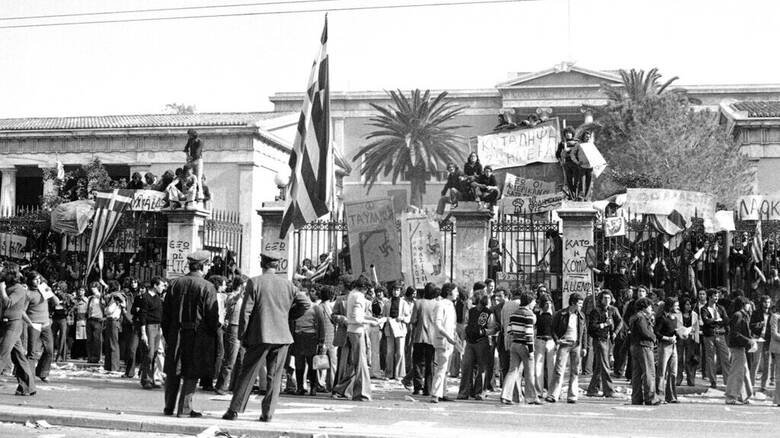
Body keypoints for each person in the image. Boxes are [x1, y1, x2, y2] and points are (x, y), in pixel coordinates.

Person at [223, 253, 310, 422]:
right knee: (274, 377)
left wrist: (243, 335)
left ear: (262, 263)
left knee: (247, 373)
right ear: (277, 266)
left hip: (260, 335)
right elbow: (305, 304)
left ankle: (234, 410)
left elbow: (246, 312)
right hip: (282, 336)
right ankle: (268, 413)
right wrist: (287, 315)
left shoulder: (255, 282)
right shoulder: (288, 284)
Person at [162, 250, 219, 418]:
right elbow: (212, 316)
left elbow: (165, 315)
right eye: (208, 265)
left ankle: (169, 406)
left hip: (176, 333)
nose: (209, 268)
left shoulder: (175, 284)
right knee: (191, 371)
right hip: (197, 334)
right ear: (202, 266)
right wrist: (213, 332)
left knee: (174, 370)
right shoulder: (207, 287)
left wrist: (169, 334)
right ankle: (185, 408)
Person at [332, 275, 381, 401]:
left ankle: (341, 389)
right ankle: (362, 393)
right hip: (357, 331)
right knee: (361, 363)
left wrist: (370, 319)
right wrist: (372, 322)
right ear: (363, 287)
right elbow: (357, 319)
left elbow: (355, 316)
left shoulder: (352, 295)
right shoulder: (359, 297)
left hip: (351, 330)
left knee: (354, 363)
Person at [0, 263, 37, 396]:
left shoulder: (18, 289)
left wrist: (2, 289)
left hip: (13, 325)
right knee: (19, 357)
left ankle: (27, 386)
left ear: (11, 274)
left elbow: (8, 303)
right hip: (5, 324)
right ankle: (28, 387)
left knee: (2, 353)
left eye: (5, 271)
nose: (2, 273)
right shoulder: (8, 287)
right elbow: (20, 310)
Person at [546, 292, 586, 404]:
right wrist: (556, 339)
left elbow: (584, 332)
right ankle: (553, 394)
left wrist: (584, 346)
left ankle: (572, 396)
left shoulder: (581, 316)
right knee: (559, 370)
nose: (581, 306)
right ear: (573, 303)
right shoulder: (561, 314)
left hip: (576, 345)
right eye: (579, 303)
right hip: (564, 344)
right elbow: (552, 328)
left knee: (575, 371)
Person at [502, 289, 540, 405]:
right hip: (525, 345)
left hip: (514, 344)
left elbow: (509, 330)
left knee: (512, 371)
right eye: (534, 301)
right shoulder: (528, 315)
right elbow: (529, 333)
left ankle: (506, 395)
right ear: (530, 301)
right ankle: (532, 397)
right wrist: (531, 350)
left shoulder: (514, 313)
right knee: (529, 373)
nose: (535, 304)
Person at [457, 291, 496, 400]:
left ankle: (480, 392)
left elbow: (493, 328)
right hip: (470, 342)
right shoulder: (471, 311)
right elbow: (466, 324)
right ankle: (464, 392)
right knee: (466, 367)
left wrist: (484, 332)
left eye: (474, 296)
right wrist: (463, 339)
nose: (472, 298)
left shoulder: (488, 313)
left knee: (482, 369)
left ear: (479, 299)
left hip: (482, 341)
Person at [402, 283, 438, 396]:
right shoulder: (437, 304)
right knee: (430, 364)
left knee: (417, 363)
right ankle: (428, 388)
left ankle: (417, 387)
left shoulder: (418, 303)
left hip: (419, 336)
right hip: (432, 338)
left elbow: (413, 320)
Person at [586, 289, 623, 398]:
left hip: (608, 340)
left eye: (609, 298)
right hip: (599, 339)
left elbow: (620, 321)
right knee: (605, 365)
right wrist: (603, 325)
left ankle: (592, 389)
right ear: (601, 299)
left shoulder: (613, 309)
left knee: (599, 366)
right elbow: (591, 328)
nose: (607, 300)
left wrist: (615, 332)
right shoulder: (596, 311)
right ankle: (609, 390)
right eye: (605, 298)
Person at [24, 271, 59, 383]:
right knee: (32, 353)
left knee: (49, 350)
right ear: (30, 280)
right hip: (34, 324)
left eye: (39, 278)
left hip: (46, 324)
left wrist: (50, 292)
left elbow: (57, 302)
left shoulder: (43, 290)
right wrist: (29, 323)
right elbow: (22, 311)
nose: (38, 281)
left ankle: (42, 372)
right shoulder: (27, 293)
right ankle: (29, 377)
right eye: (35, 279)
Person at [215, 275, 247, 395]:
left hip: (242, 328)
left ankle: (235, 385)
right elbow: (231, 302)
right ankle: (221, 386)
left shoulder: (244, 297)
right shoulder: (232, 295)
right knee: (230, 359)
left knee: (241, 359)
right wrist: (241, 292)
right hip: (234, 327)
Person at [133, 276, 164, 389]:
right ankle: (146, 379)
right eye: (161, 285)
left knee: (155, 354)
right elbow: (143, 315)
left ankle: (153, 378)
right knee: (149, 354)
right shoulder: (145, 298)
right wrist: (143, 333)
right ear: (155, 285)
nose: (163, 288)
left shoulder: (158, 298)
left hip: (157, 326)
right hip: (149, 327)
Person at [430, 283, 458, 403]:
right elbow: (438, 324)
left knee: (445, 368)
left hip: (450, 340)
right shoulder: (440, 305)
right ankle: (435, 394)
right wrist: (448, 337)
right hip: (442, 340)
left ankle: (443, 392)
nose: (457, 293)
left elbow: (451, 324)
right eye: (455, 291)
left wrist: (454, 336)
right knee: (441, 367)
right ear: (449, 292)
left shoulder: (451, 305)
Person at [629, 297, 660, 405]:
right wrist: (654, 337)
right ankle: (650, 398)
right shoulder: (641, 317)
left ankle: (636, 398)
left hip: (635, 346)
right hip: (644, 346)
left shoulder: (634, 317)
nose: (651, 308)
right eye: (650, 306)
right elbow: (644, 332)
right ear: (644, 307)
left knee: (637, 373)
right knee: (649, 372)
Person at [725, 296, 755, 405]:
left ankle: (744, 396)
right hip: (737, 347)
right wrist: (748, 341)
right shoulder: (738, 315)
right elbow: (735, 334)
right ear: (744, 304)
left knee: (744, 371)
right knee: (737, 372)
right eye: (748, 304)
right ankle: (731, 396)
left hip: (740, 347)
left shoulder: (743, 315)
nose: (750, 305)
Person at [382, 281, 412, 380]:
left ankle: (399, 374)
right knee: (390, 351)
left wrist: (402, 318)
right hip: (390, 327)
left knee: (400, 351)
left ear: (400, 291)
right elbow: (384, 316)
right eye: (394, 290)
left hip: (400, 328)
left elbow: (408, 318)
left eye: (397, 290)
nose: (395, 292)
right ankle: (389, 373)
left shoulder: (404, 303)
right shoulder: (387, 303)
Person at [701, 288, 730, 388]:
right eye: (714, 296)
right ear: (709, 297)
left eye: (717, 295)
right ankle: (713, 381)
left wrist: (715, 321)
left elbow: (726, 320)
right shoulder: (704, 309)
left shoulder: (721, 308)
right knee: (711, 358)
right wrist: (716, 320)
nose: (716, 297)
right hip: (709, 336)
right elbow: (706, 322)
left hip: (720, 334)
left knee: (725, 357)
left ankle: (727, 381)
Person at [655, 297, 679, 403]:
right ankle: (660, 396)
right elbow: (657, 332)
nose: (677, 307)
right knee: (662, 372)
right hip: (664, 346)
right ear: (670, 306)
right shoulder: (662, 318)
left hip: (673, 346)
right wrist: (667, 338)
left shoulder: (675, 318)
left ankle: (671, 396)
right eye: (676, 305)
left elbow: (674, 331)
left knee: (673, 372)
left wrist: (680, 334)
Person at [314, 285, 337, 392]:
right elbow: (320, 325)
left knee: (331, 363)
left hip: (331, 339)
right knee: (322, 363)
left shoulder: (327, 307)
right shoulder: (320, 308)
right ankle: (321, 384)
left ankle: (330, 385)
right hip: (324, 338)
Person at [533, 292, 556, 397]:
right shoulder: (537, 315)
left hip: (551, 341)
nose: (548, 305)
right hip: (539, 340)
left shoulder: (554, 316)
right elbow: (534, 329)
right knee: (538, 367)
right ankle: (538, 391)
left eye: (549, 303)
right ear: (542, 304)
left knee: (552, 367)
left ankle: (552, 391)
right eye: (546, 303)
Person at [749, 295, 773, 392]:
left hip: (768, 341)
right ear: (762, 303)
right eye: (765, 302)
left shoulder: (772, 314)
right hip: (758, 339)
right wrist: (759, 325)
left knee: (767, 363)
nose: (767, 304)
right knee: (756, 362)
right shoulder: (755, 313)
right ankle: (751, 384)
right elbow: (751, 325)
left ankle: (764, 385)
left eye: (768, 302)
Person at [676, 296, 700, 387]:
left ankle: (691, 379)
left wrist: (696, 340)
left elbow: (696, 328)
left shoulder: (694, 315)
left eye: (689, 304)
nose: (689, 306)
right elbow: (677, 326)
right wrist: (682, 333)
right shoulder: (677, 314)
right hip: (680, 338)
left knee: (690, 359)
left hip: (691, 338)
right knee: (679, 358)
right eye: (687, 304)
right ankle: (678, 378)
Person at [555, 126, 579, 198]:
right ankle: (571, 196)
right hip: (567, 163)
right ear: (564, 134)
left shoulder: (577, 142)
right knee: (569, 180)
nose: (568, 134)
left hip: (576, 163)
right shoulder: (562, 143)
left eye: (570, 133)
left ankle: (577, 195)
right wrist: (561, 161)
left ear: (572, 134)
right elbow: (557, 154)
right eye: (566, 133)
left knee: (577, 180)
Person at [85, 282, 104, 364]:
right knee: (89, 340)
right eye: (92, 287)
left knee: (97, 339)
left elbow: (104, 304)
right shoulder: (90, 298)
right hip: (90, 319)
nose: (92, 289)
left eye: (94, 287)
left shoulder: (101, 297)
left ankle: (96, 358)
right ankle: (90, 357)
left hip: (98, 320)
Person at [183, 129, 204, 200]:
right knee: (186, 170)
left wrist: (190, 158)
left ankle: (200, 194)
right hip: (192, 160)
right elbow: (185, 148)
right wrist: (187, 155)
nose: (189, 136)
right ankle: (188, 189)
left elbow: (198, 152)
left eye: (190, 135)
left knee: (198, 177)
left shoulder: (200, 141)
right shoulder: (190, 140)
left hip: (198, 160)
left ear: (193, 135)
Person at [769, 303, 780, 406]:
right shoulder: (775, 316)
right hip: (778, 348)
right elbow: (774, 333)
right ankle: (777, 400)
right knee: (779, 376)